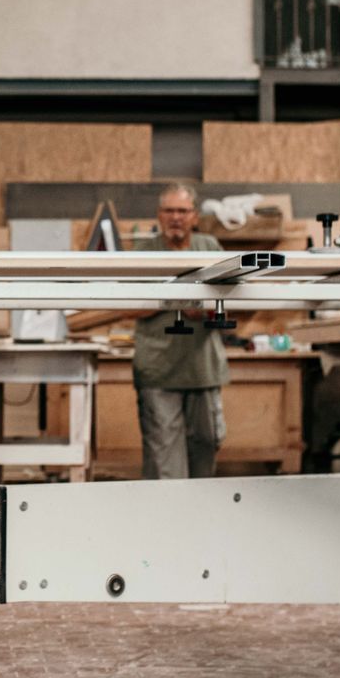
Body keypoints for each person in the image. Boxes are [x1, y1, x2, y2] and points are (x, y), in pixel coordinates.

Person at [133, 182, 229, 480]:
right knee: (165, 461)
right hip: (158, 371)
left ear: (194, 216)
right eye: (169, 210)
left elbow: (230, 300)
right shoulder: (143, 252)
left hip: (203, 369)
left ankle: (197, 510)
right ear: (159, 215)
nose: (176, 217)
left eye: (183, 211)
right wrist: (174, 299)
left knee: (206, 449)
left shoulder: (209, 247)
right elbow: (127, 305)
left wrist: (204, 310)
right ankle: (165, 511)